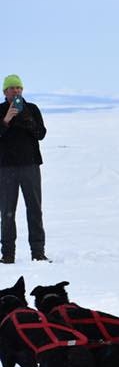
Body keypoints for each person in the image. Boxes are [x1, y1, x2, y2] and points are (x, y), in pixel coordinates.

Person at [0, 74, 47, 263]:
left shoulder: (32, 109)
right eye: (12, 88)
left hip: (30, 166)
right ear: (5, 92)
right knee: (7, 211)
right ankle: (8, 255)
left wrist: (28, 120)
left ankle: (38, 252)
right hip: (6, 168)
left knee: (34, 210)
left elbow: (41, 134)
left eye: (19, 88)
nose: (16, 91)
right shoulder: (0, 110)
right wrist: (5, 120)